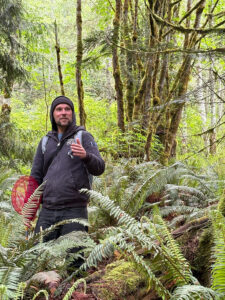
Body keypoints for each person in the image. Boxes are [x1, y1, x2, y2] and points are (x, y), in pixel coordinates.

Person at [30, 95, 105, 250]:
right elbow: (35, 177)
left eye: (67, 109)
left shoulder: (83, 137)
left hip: (75, 208)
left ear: (72, 113)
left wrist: (86, 156)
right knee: (36, 258)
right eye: (59, 109)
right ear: (53, 114)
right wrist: (29, 209)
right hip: (48, 210)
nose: (63, 112)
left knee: (74, 259)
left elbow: (99, 168)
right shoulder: (45, 141)